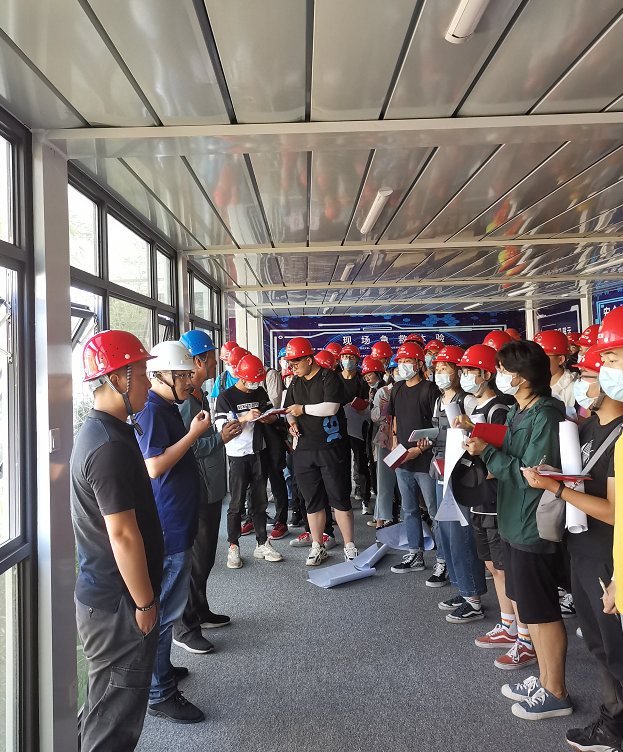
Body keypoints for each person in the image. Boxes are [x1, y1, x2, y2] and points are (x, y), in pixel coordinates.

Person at [463, 340, 571, 721]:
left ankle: (556, 691)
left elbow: (531, 474)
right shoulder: (519, 409)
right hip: (512, 518)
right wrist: (480, 439)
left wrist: (487, 453)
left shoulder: (547, 414)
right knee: (528, 607)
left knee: (542, 610)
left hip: (532, 523)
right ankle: (544, 679)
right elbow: (509, 447)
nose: (498, 376)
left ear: (523, 377)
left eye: (504, 370)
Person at [524, 342, 623, 750]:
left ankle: (614, 724)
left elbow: (615, 513)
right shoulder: (584, 427)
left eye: (591, 375)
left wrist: (557, 490)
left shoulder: (619, 436)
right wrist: (555, 475)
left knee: (616, 649)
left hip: (608, 557)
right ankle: (612, 721)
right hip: (582, 549)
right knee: (600, 645)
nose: (582, 384)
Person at [72, 331, 164, 752]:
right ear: (117, 379)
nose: (149, 382)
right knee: (113, 722)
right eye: (142, 374)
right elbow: (122, 534)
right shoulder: (107, 446)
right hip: (119, 605)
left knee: (103, 706)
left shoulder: (108, 431)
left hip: (111, 598)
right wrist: (144, 604)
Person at [135, 341, 209, 724]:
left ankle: (161, 669)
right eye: (181, 375)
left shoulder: (166, 407)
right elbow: (154, 466)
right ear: (160, 375)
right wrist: (193, 435)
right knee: (164, 611)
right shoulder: (151, 410)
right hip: (169, 525)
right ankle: (160, 692)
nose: (189, 381)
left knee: (169, 607)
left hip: (178, 520)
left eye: (188, 374)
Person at [454, 346, 534, 669]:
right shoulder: (476, 407)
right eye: (462, 371)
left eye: (470, 371)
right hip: (480, 499)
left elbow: (503, 457)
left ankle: (524, 637)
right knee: (493, 566)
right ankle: (508, 624)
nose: (464, 377)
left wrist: (480, 455)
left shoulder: (501, 409)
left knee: (506, 570)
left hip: (495, 499)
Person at [172, 331, 240, 656]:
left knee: (206, 557)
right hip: (197, 491)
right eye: (212, 356)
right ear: (198, 360)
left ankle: (200, 610)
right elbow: (188, 447)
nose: (216, 362)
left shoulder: (198, 394)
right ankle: (184, 628)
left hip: (211, 489)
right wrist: (220, 439)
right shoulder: (185, 402)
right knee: (195, 560)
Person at [424, 346, 487, 625]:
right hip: (440, 468)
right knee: (446, 532)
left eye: (445, 368)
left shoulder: (468, 400)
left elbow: (479, 433)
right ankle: (463, 590)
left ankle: (474, 598)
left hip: (461, 472)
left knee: (462, 533)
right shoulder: (439, 400)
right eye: (437, 369)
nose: (439, 373)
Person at [283, 337, 358, 566]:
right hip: (305, 449)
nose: (293, 367)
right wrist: (292, 422)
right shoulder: (295, 382)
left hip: (331, 448)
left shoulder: (328, 377)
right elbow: (289, 410)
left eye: (296, 362)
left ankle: (349, 546)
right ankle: (317, 546)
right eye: (290, 363)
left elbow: (331, 407)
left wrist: (303, 409)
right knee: (312, 501)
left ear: (309, 359)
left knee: (339, 499)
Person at [215, 354, 284, 569]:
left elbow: (270, 412)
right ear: (241, 377)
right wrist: (244, 418)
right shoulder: (226, 397)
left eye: (257, 381)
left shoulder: (260, 391)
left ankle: (262, 543)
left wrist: (270, 417)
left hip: (259, 452)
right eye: (252, 381)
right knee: (236, 503)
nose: (255, 385)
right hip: (238, 456)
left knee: (260, 501)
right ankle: (233, 546)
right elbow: (222, 428)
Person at [387, 341, 440, 574]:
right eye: (400, 361)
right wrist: (394, 444)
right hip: (402, 459)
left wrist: (419, 450)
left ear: (419, 363)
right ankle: (415, 553)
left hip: (425, 460)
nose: (403, 365)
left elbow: (438, 427)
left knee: (434, 510)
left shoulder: (430, 389)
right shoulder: (397, 388)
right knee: (408, 509)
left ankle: (443, 559)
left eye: (408, 361)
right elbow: (395, 419)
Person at [339, 344, 373, 513]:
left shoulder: (362, 380)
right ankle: (343, 499)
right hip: (339, 427)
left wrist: (363, 407)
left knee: (361, 463)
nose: (348, 360)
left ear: (357, 360)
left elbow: (367, 401)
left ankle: (365, 499)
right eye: (345, 357)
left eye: (351, 357)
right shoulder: (335, 379)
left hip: (358, 426)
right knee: (341, 464)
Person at [361, 357, 386, 520]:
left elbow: (379, 416)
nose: (367, 378)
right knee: (375, 471)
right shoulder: (372, 391)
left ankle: (385, 515)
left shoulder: (384, 391)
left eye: (369, 375)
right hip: (373, 435)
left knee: (382, 474)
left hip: (383, 437)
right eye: (365, 376)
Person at [537, 330, 577, 408]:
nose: (538, 362)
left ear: (561, 359)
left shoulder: (573, 389)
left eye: (544, 357)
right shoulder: (535, 385)